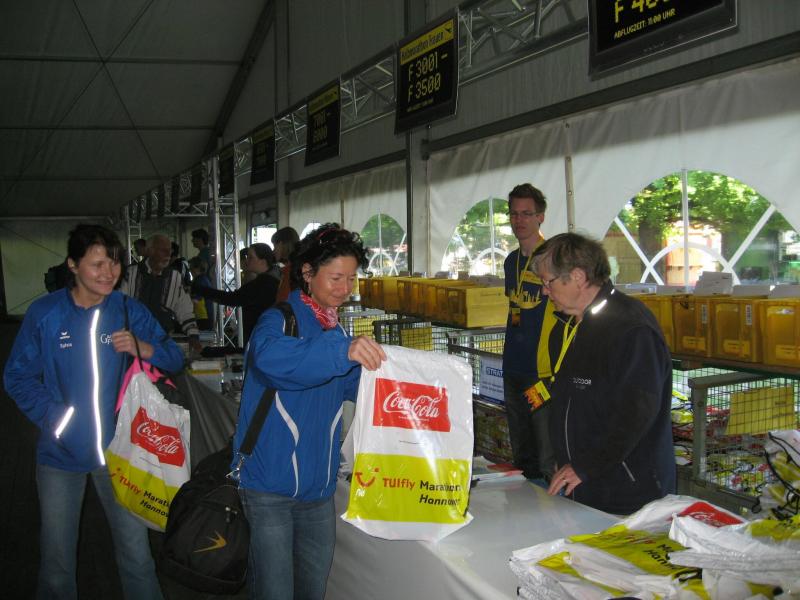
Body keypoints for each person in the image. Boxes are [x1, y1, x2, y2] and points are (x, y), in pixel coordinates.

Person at [4, 224, 184, 600]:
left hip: (121, 453)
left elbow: (173, 357)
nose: (109, 273)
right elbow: (17, 376)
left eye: (114, 263)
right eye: (97, 264)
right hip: (60, 453)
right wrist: (59, 420)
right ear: (73, 265)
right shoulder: (46, 313)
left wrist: (144, 348)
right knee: (57, 564)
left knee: (137, 557)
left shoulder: (127, 310)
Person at [233, 223, 386, 599]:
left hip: (318, 489)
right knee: (274, 591)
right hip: (268, 486)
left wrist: (401, 376)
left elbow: (355, 388)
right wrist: (343, 353)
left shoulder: (335, 330)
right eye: (336, 277)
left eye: (351, 278)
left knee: (312, 590)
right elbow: (273, 361)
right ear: (307, 272)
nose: (345, 288)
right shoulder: (277, 320)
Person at [533, 232, 676, 515]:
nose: (544, 291)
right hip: (586, 484)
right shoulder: (572, 324)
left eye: (548, 282)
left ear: (577, 277)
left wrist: (585, 466)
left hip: (627, 492)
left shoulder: (631, 329)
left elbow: (636, 414)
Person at [502, 183, 558, 482]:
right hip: (513, 366)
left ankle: (554, 501)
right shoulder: (511, 261)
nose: (519, 220)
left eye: (526, 213)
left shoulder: (552, 259)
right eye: (514, 213)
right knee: (521, 447)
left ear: (541, 217)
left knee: (545, 448)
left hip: (540, 372)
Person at [120, 234, 202, 353]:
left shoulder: (175, 277)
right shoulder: (131, 274)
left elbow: (185, 310)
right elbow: (120, 306)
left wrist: (193, 336)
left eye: (170, 250)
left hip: (162, 343)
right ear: (150, 251)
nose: (168, 255)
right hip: (134, 342)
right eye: (163, 250)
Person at [191, 243, 279, 347]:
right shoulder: (271, 279)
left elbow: (233, 298)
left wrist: (201, 290)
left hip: (260, 334)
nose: (246, 260)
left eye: (250, 257)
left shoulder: (264, 283)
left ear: (262, 261)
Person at [271, 226, 299, 302]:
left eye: (274, 246)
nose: (273, 251)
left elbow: (283, 299)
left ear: (281, 244)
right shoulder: (293, 265)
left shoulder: (289, 270)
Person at [188, 256, 214, 330]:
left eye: (191, 267)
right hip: (206, 317)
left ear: (197, 268)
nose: (190, 270)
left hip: (202, 318)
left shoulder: (199, 281)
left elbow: (195, 300)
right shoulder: (204, 279)